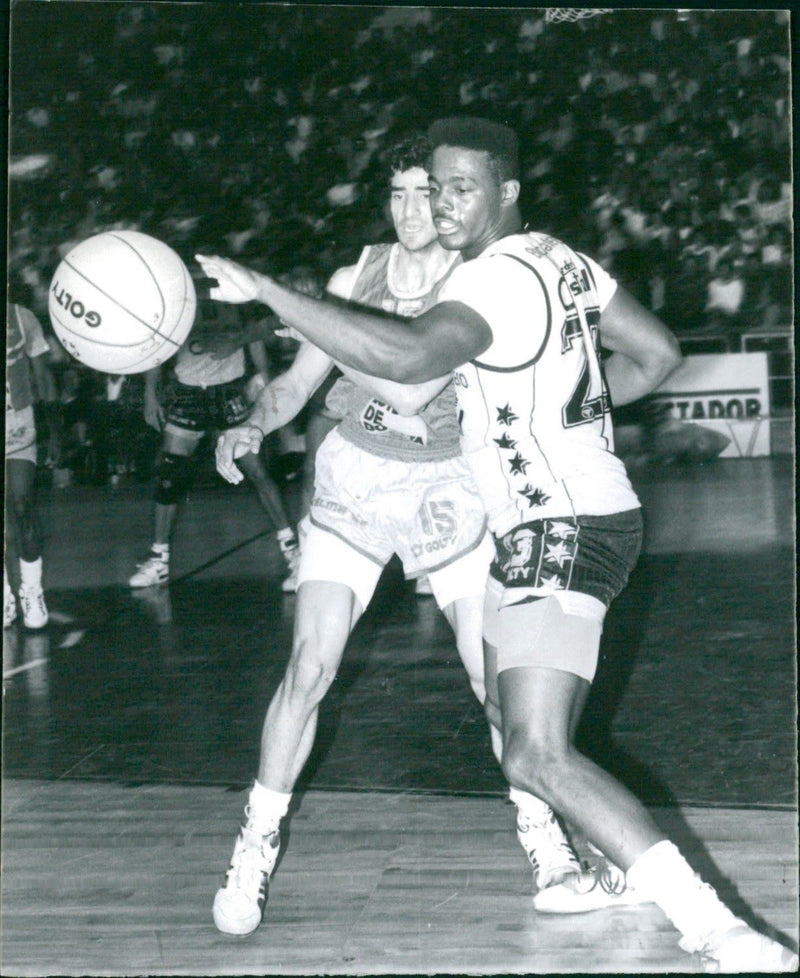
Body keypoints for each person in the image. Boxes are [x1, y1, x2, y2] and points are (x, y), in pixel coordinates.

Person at [199, 118, 797, 972]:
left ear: (507, 191)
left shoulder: (491, 282)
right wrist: (565, 422)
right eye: (429, 186)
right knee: (518, 727)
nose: (440, 204)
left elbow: (406, 366)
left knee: (534, 747)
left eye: (459, 188)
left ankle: (714, 926)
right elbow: (657, 352)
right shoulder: (561, 258)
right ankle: (615, 877)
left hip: (553, 526)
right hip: (561, 516)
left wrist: (268, 291)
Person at [207, 135, 637, 938]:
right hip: (356, 481)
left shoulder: (477, 280)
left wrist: (308, 321)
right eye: (401, 194)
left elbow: (410, 390)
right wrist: (252, 425)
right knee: (309, 666)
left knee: (495, 685)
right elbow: (298, 384)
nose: (417, 209)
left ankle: (546, 844)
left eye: (426, 192)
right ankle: (254, 845)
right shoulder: (350, 280)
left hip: (452, 486)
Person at [128, 299, 299, 592]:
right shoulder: (176, 306)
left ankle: (293, 552)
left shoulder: (236, 305)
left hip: (228, 392)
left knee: (257, 471)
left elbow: (257, 347)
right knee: (169, 476)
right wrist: (150, 394)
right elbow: (155, 351)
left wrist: (269, 391)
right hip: (188, 393)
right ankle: (158, 560)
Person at [5, 276, 54, 629]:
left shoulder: (22, 318)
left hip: (18, 423)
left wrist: (54, 427)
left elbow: (43, 374)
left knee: (23, 506)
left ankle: (32, 591)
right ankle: (6, 594)